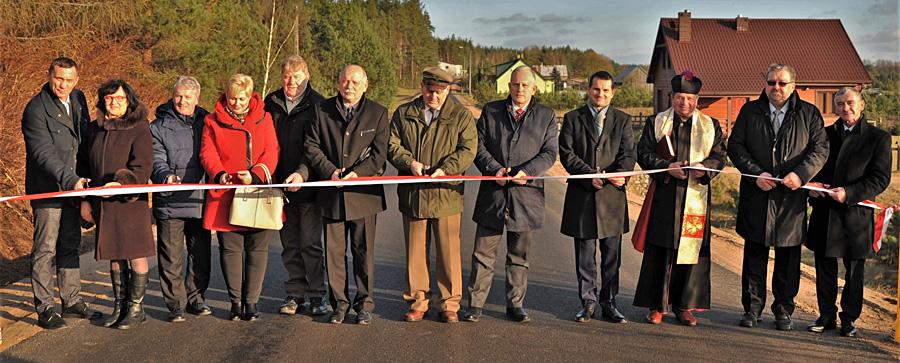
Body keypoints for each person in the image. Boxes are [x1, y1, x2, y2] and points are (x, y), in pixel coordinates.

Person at [728, 63, 829, 331]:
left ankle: (783, 310)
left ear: (793, 85)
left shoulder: (808, 114)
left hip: (791, 199)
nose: (776, 88)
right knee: (754, 257)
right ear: (765, 84)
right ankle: (752, 309)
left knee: (788, 259)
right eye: (771, 82)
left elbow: (820, 149)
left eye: (782, 83)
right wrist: (755, 173)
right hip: (757, 195)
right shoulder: (750, 111)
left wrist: (802, 174)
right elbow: (735, 147)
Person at [462, 66, 559, 324]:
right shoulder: (491, 111)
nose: (519, 89)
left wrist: (526, 171)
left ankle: (515, 305)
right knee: (483, 254)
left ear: (534, 88)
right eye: (515, 85)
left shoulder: (546, 117)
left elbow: (549, 153)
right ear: (509, 86)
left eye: (525, 85)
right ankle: (475, 304)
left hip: (526, 197)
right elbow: (478, 146)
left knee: (519, 256)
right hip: (493, 193)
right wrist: (495, 170)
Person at [633, 71, 726, 326]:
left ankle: (684, 305)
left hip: (695, 196)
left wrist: (705, 167)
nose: (684, 103)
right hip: (665, 197)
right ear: (672, 98)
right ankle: (657, 305)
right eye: (679, 97)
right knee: (661, 252)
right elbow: (643, 153)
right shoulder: (657, 122)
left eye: (690, 98)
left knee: (690, 254)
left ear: (697, 99)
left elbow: (720, 157)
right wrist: (666, 167)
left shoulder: (710, 125)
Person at [388, 67, 477, 324]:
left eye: (439, 92)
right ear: (421, 86)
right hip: (414, 194)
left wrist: (446, 169)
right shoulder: (404, 113)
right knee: (415, 252)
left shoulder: (460, 115)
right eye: (429, 91)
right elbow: (392, 144)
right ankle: (418, 301)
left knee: (448, 252)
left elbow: (468, 149)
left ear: (447, 90)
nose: (433, 97)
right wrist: (409, 163)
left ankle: (449, 303)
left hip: (446, 194)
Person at [304, 65, 389, 325]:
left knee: (363, 254)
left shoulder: (378, 113)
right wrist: (330, 172)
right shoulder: (321, 111)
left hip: (363, 195)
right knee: (334, 254)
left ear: (365, 85)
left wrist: (358, 174)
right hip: (331, 195)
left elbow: (379, 154)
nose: (348, 86)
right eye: (343, 81)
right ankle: (339, 304)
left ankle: (364, 305)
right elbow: (311, 146)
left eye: (354, 82)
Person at [805, 87, 891, 337]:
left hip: (855, 215)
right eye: (840, 104)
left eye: (850, 103)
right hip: (825, 211)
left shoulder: (878, 137)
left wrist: (849, 193)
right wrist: (811, 187)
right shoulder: (825, 135)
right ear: (835, 107)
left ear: (862, 104)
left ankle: (849, 320)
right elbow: (814, 167)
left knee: (854, 270)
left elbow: (880, 179)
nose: (846, 108)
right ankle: (826, 316)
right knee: (824, 268)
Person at [22, 56, 99, 329]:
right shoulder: (35, 109)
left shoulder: (79, 100)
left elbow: (85, 143)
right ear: (49, 75)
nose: (63, 85)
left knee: (70, 244)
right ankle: (44, 307)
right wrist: (71, 180)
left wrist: (88, 185)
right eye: (58, 78)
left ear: (77, 80)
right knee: (45, 249)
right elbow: (43, 153)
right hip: (48, 190)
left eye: (68, 80)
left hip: (75, 189)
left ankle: (72, 301)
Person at [200, 74, 279, 322]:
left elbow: (272, 151)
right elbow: (207, 152)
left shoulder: (265, 118)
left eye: (241, 98)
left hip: (256, 190)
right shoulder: (212, 121)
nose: (236, 103)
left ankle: (252, 301)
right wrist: (219, 173)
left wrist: (255, 175)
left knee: (257, 249)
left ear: (250, 96)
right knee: (231, 249)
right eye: (232, 98)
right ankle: (235, 301)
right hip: (226, 192)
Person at [559, 70, 636, 324]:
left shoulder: (623, 120)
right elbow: (567, 154)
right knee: (585, 255)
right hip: (583, 195)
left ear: (613, 92)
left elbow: (628, 154)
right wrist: (588, 174)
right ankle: (588, 302)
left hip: (612, 197)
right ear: (588, 90)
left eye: (605, 90)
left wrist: (618, 175)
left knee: (611, 255)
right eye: (596, 89)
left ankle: (610, 302)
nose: (600, 94)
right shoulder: (572, 119)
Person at [78, 79, 155, 329]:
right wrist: (86, 199)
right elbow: (84, 167)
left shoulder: (140, 128)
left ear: (128, 100)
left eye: (119, 98)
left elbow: (143, 166)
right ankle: (119, 305)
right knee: (114, 253)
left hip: (130, 202)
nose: (114, 103)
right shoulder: (94, 129)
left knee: (134, 253)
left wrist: (122, 184)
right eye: (109, 98)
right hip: (103, 204)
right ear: (103, 101)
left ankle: (136, 308)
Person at [263, 55, 329, 317]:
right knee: (289, 243)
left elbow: (317, 147)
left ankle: (316, 295)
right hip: (279, 185)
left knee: (310, 244)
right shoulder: (272, 102)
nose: (291, 81)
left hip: (309, 186)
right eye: (287, 76)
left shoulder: (319, 105)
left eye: (296, 76)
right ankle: (295, 294)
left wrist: (302, 173)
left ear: (307, 76)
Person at [150, 76, 212, 322]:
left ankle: (196, 299)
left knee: (200, 255)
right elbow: (156, 158)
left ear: (197, 98)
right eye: (178, 96)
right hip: (170, 201)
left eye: (187, 97)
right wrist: (164, 175)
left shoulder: (208, 122)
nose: (182, 101)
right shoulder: (157, 126)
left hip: (200, 200)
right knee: (170, 256)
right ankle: (176, 304)